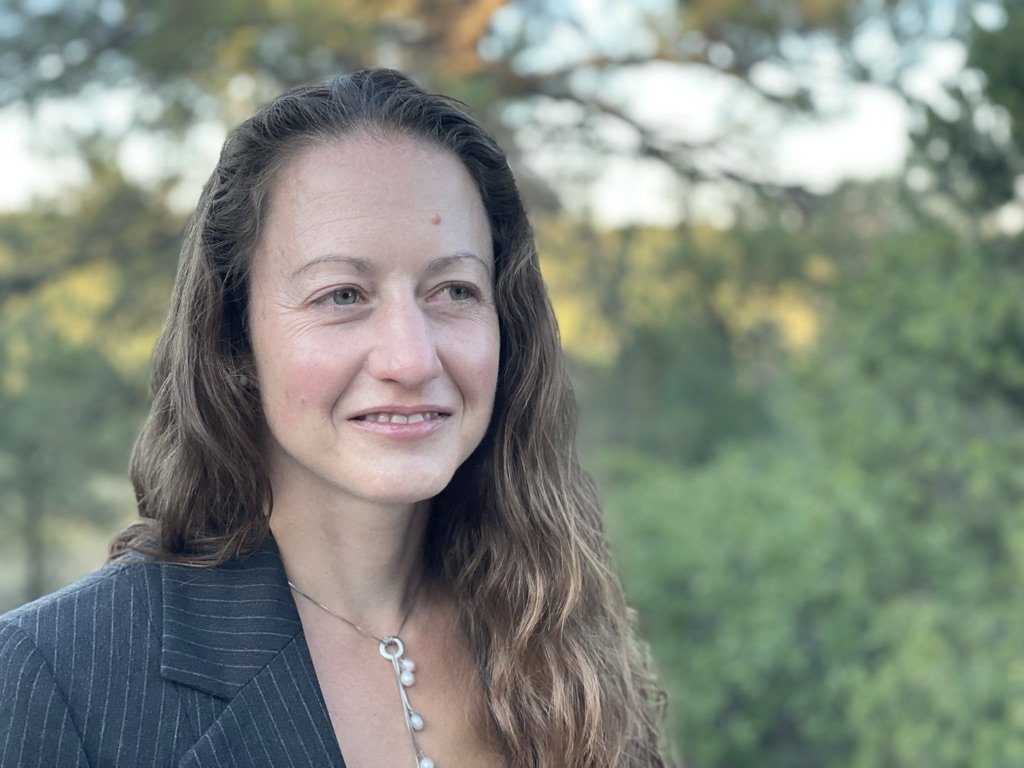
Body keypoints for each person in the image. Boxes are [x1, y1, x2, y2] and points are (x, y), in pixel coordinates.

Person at [0, 68, 666, 767]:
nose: (410, 359)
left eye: (454, 290)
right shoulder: (50, 679)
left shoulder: (561, 629)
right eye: (342, 294)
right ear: (234, 340)